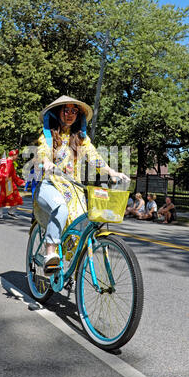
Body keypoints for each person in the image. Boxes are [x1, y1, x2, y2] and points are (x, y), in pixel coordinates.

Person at [34, 95, 129, 274]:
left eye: (74, 111)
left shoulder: (80, 139)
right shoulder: (47, 136)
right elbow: (43, 151)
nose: (70, 114)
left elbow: (94, 157)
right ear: (58, 112)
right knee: (61, 209)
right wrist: (46, 161)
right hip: (50, 184)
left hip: (73, 188)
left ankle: (76, 268)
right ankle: (50, 252)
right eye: (66, 110)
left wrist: (111, 172)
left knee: (85, 221)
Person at [0, 149, 25, 220]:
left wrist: (21, 182)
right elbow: (0, 173)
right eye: (17, 156)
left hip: (10, 183)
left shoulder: (12, 164)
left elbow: (14, 176)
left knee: (16, 197)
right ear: (13, 155)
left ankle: (11, 212)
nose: (17, 157)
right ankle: (0, 214)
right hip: (3, 183)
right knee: (1, 198)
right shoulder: (4, 162)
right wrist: (4, 177)